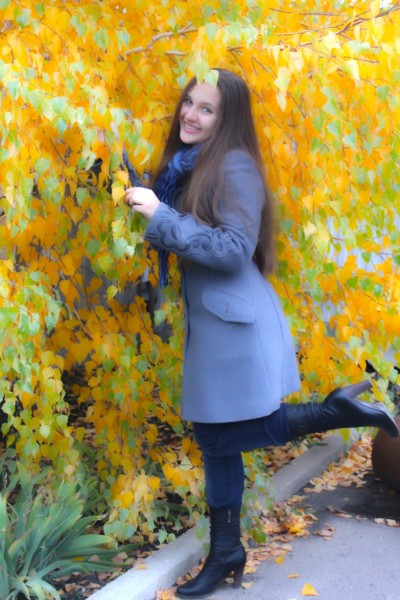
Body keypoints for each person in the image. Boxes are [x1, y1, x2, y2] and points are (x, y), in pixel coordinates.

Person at [125, 69, 399, 599]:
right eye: (189, 101)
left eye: (207, 108)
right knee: (216, 444)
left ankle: (333, 412)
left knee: (216, 437)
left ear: (227, 118)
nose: (191, 114)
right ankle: (226, 550)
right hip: (218, 320)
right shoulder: (190, 165)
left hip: (235, 323)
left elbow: (232, 249)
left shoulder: (234, 165)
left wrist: (161, 215)